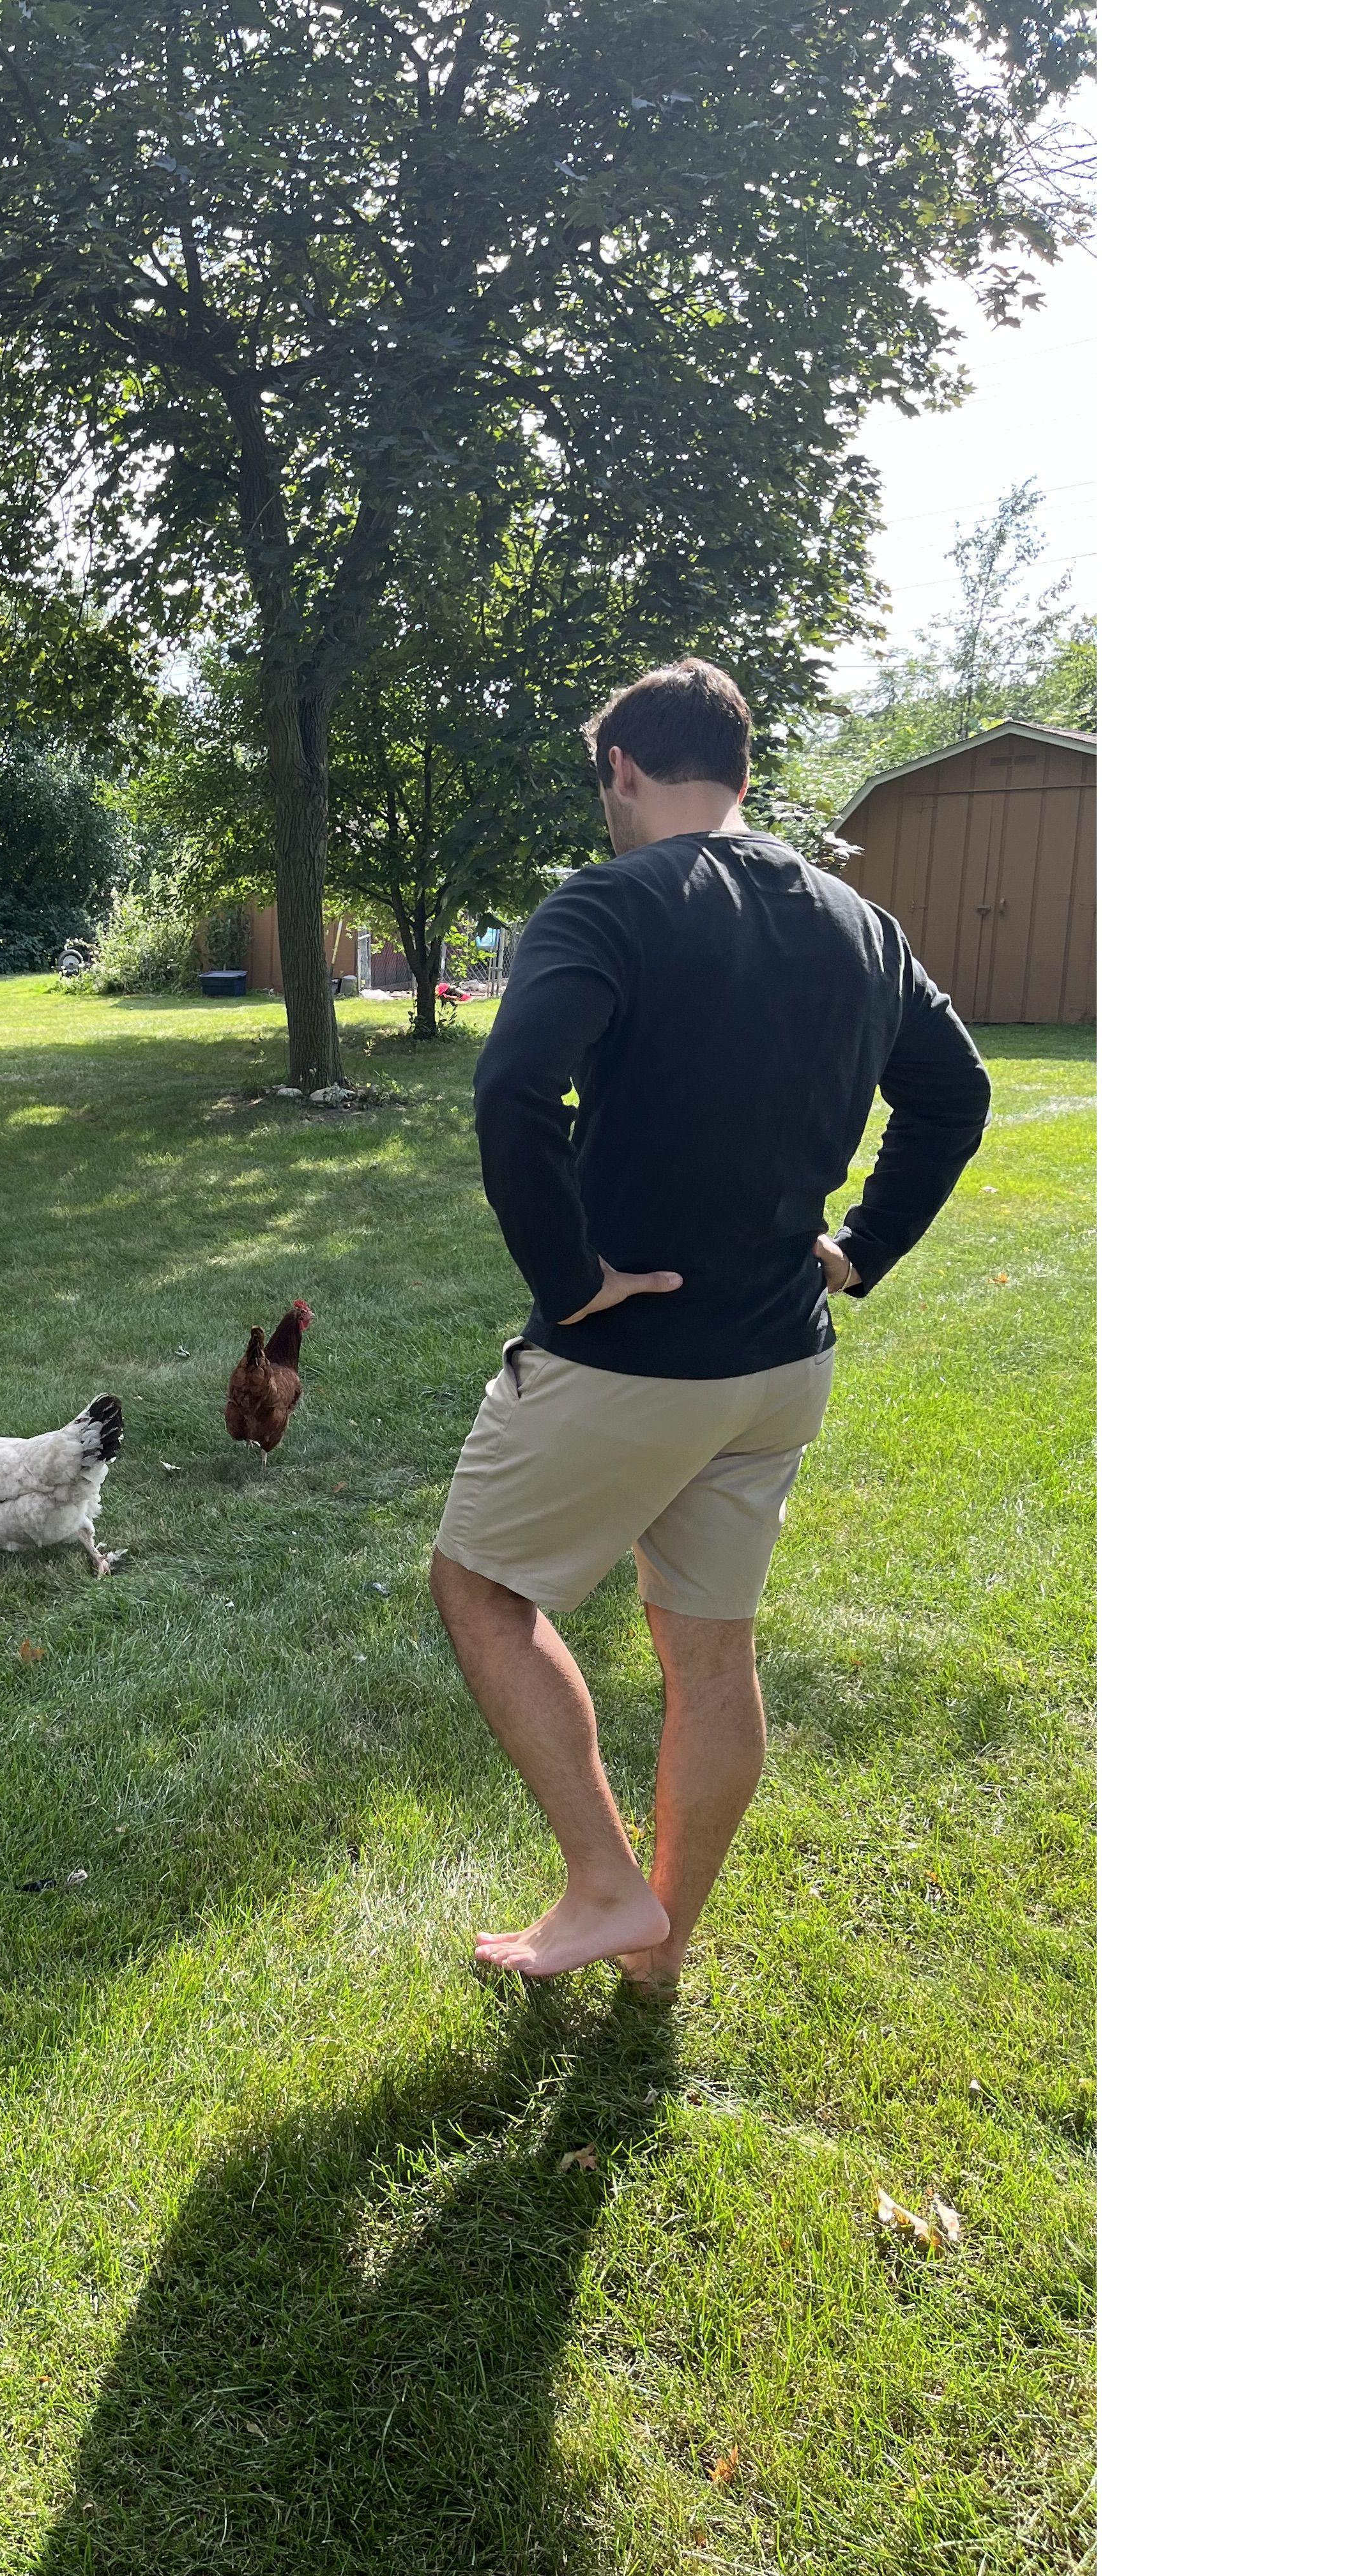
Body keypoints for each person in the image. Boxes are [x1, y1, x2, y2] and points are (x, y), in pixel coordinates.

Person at [429, 657, 991, 1991]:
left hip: (633, 1356)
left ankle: (607, 1889)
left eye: (603, 783)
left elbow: (513, 1091)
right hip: (783, 1363)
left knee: (480, 1591)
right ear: (739, 770)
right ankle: (658, 1947)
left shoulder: (604, 905)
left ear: (622, 770)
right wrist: (861, 1253)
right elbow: (956, 1094)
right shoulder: (861, 921)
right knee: (709, 1649)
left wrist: (571, 1283)